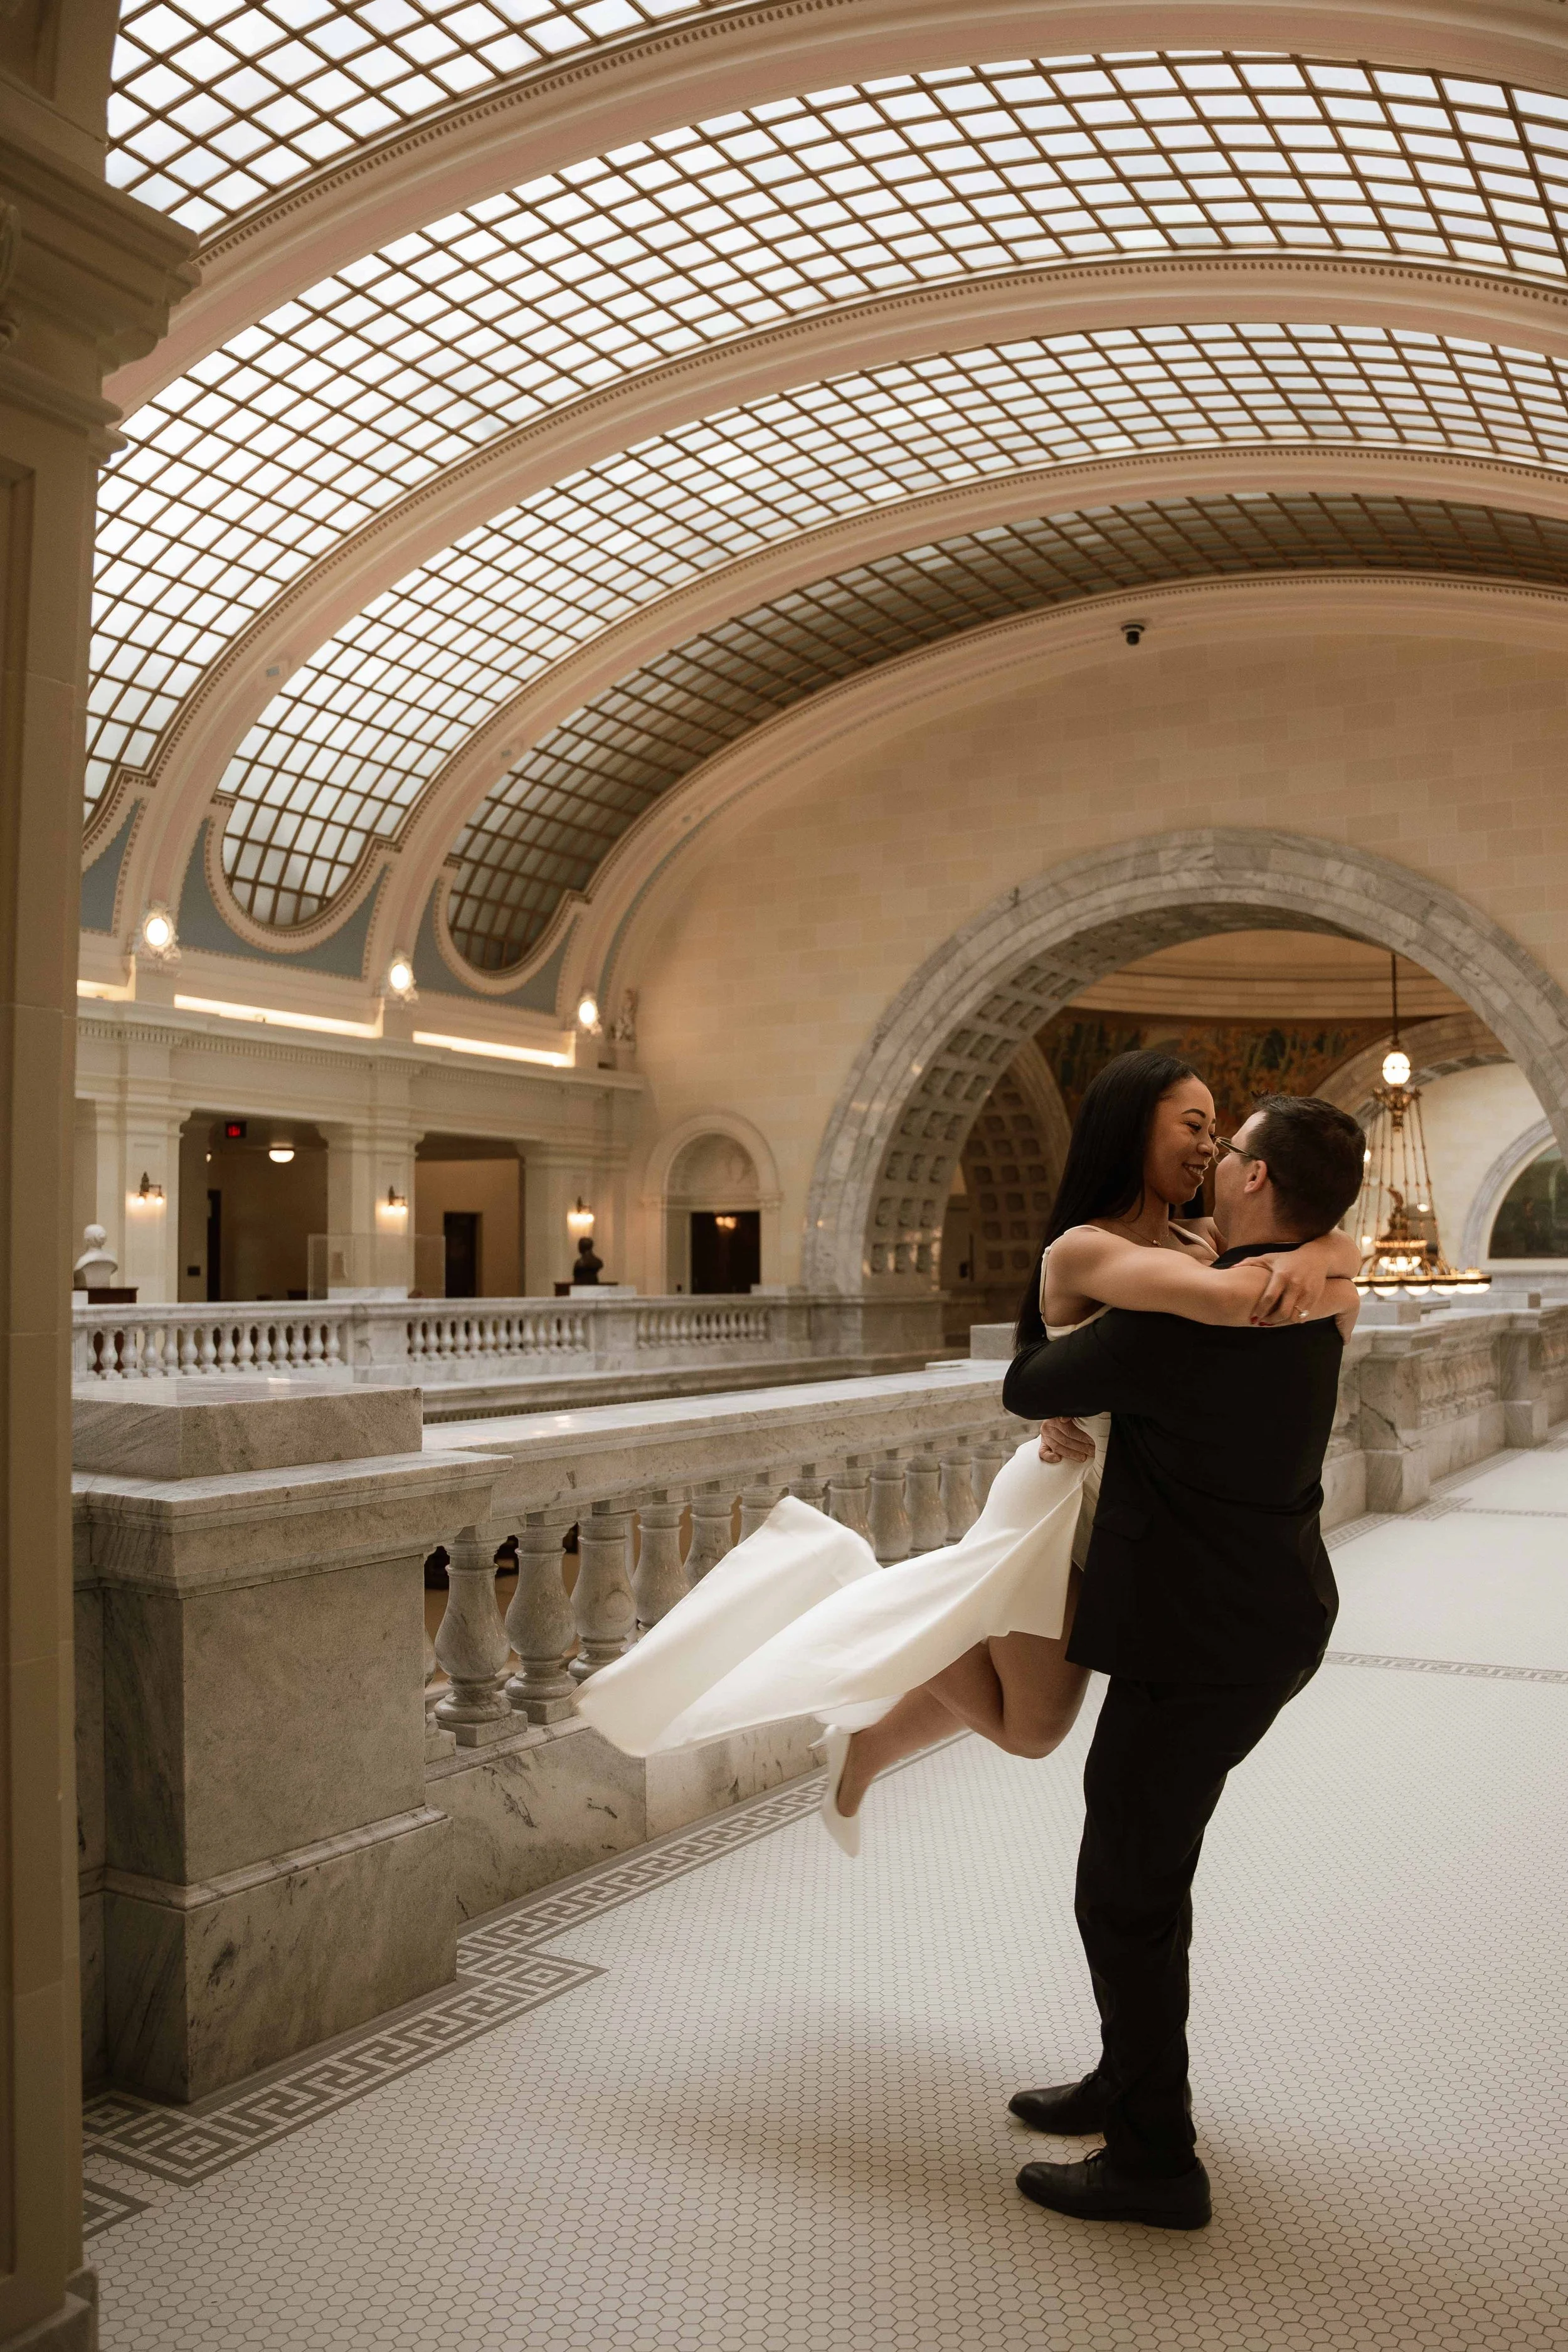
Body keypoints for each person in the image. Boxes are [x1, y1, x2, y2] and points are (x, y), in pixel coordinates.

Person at [575, 1055, 1359, 1845]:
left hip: (1118, 1503)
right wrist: (1315, 1261)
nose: (1208, 1147)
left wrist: (1322, 1253)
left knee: (1025, 1714)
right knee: (1030, 1731)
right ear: (1132, 1127)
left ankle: (867, 1742)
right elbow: (1230, 1300)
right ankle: (834, 1572)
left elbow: (1326, 1243)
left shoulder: (1199, 1236)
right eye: (1194, 1126)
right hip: (1057, 1500)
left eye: (1218, 1134)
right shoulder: (1084, 1249)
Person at [1000, 1091, 1366, 2233]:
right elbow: (1327, 1254)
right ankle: (1127, 2078)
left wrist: (1090, 1276)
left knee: (1123, 1889)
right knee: (1152, 1872)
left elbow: (1029, 1386)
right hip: (1270, 1619)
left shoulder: (1178, 1322)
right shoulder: (1328, 1287)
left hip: (1194, 1638)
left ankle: (1157, 2158)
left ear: (1256, 1181)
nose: (1215, 1156)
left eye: (1233, 1146)